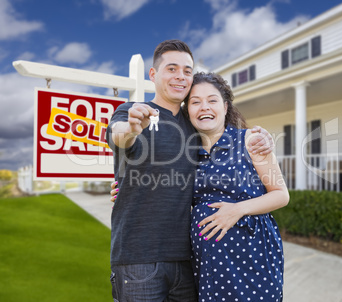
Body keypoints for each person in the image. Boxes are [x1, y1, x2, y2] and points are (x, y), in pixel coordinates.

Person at [106, 40, 275, 302]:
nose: (180, 77)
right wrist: (131, 128)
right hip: (139, 258)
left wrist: (263, 138)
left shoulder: (195, 123)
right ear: (153, 74)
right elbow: (120, 138)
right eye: (171, 69)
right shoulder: (131, 113)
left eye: (187, 70)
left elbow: (223, 140)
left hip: (191, 261)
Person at [183, 72, 289, 301]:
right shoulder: (187, 154)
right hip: (207, 263)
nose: (204, 107)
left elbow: (281, 195)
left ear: (225, 106)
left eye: (212, 100)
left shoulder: (251, 140)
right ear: (187, 110)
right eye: (195, 102)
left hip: (252, 256)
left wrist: (237, 209)